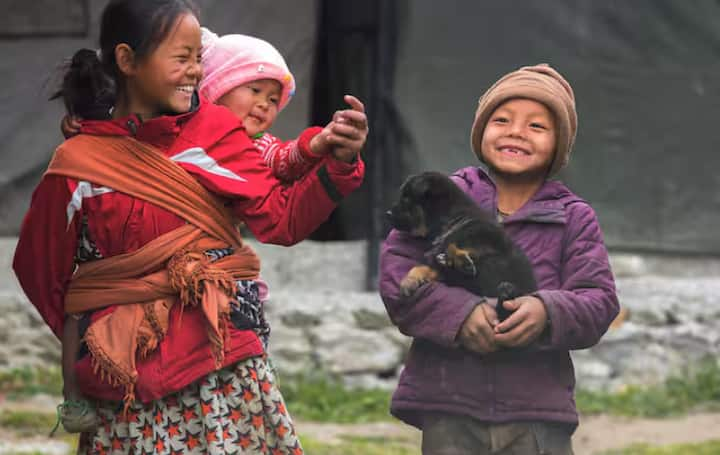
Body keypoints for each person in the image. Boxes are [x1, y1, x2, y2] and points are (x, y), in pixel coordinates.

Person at [13, 0, 368, 453]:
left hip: (222, 376)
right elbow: (40, 269)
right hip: (126, 390)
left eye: (198, 58)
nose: (196, 72)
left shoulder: (215, 132)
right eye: (181, 58)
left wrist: (339, 162)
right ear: (127, 61)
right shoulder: (78, 165)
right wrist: (101, 329)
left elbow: (282, 219)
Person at [378, 64, 619, 454]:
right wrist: (461, 315)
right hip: (449, 405)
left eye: (537, 126)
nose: (516, 132)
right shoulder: (440, 194)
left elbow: (599, 300)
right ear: (481, 131)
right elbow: (397, 275)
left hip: (535, 411)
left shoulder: (573, 216)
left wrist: (546, 311)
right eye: (501, 119)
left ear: (559, 144)